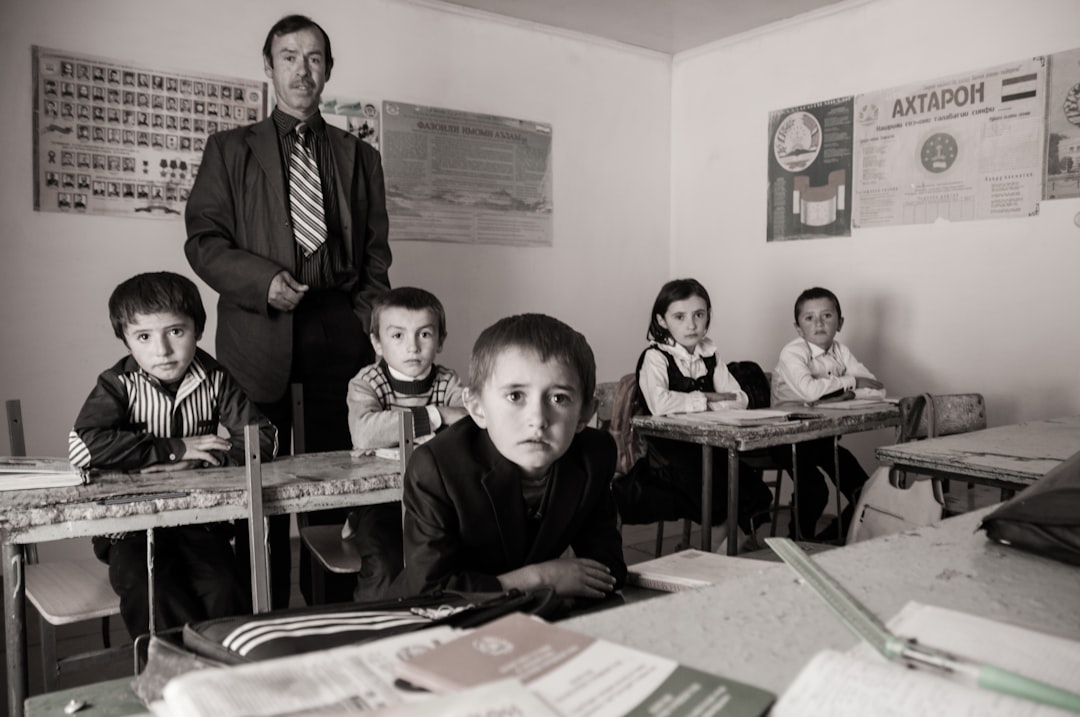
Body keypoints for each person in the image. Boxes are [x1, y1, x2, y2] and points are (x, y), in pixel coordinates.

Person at [184, 14, 391, 607]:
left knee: (334, 485)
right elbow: (204, 240)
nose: (303, 69)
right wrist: (262, 281)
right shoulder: (229, 150)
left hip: (338, 330)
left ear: (329, 70)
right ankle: (265, 614)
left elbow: (377, 255)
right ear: (269, 67)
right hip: (257, 335)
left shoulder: (360, 157)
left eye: (315, 58)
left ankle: (332, 613)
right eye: (289, 56)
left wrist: (370, 324)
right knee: (263, 489)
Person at [68, 272, 278, 638]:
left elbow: (263, 439)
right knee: (153, 590)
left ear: (197, 330)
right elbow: (83, 446)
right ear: (126, 341)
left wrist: (202, 461)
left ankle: (221, 677)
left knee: (226, 587)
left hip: (200, 522)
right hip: (130, 527)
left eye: (176, 332)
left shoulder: (214, 378)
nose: (162, 350)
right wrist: (171, 450)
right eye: (144, 337)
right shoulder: (117, 385)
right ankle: (169, 675)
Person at [394, 313, 626, 607]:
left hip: (536, 618)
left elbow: (608, 569)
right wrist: (540, 579)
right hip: (441, 626)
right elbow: (428, 593)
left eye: (559, 398)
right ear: (477, 408)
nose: (538, 420)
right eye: (516, 396)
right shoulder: (437, 468)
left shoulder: (594, 456)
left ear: (584, 413)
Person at [619, 278, 773, 550]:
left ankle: (718, 551)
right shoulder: (656, 357)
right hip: (670, 452)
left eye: (699, 315)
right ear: (662, 320)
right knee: (715, 491)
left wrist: (707, 401)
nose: (691, 325)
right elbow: (659, 404)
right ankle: (717, 550)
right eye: (680, 316)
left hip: (710, 444)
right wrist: (708, 398)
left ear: (707, 317)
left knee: (751, 488)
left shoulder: (710, 355)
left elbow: (739, 399)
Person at [342, 287, 467, 600]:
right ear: (377, 343)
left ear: (441, 341)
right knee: (385, 565)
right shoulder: (367, 382)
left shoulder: (448, 382)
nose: (412, 347)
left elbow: (470, 424)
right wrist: (436, 416)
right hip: (379, 499)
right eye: (397, 336)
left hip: (436, 498)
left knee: (451, 557)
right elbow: (365, 433)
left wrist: (396, 428)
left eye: (424, 334)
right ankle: (376, 628)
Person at [771, 286, 885, 541]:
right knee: (815, 491)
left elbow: (877, 390)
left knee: (864, 489)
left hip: (822, 436)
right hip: (785, 437)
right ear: (798, 329)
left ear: (840, 323)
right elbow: (810, 391)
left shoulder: (840, 352)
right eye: (809, 318)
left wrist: (849, 392)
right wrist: (851, 382)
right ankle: (798, 543)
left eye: (827, 316)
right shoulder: (793, 352)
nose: (819, 323)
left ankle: (831, 539)